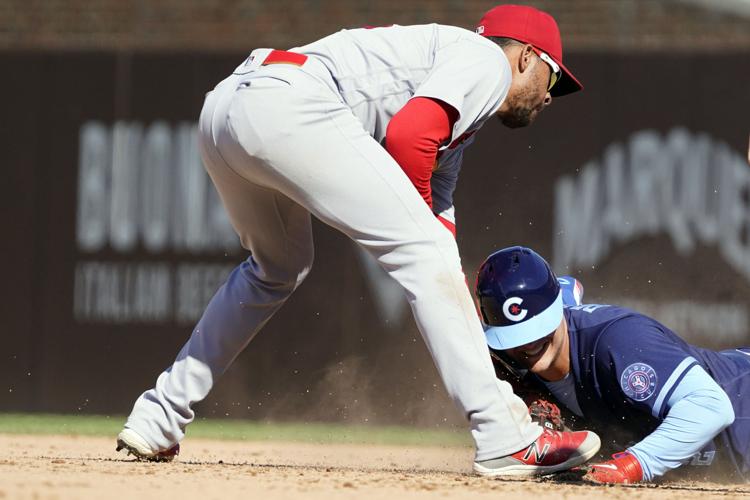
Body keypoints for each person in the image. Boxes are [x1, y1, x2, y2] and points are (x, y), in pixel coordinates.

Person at [116, 5, 602, 475]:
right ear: (525, 57)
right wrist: (426, 256)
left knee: (276, 269)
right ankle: (504, 438)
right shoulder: (486, 63)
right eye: (554, 80)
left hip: (227, 108)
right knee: (420, 252)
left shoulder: (454, 93)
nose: (548, 98)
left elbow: (434, 213)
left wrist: (453, 294)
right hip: (288, 105)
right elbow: (410, 137)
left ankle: (158, 418)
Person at [475, 246, 749, 483]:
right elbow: (572, 289)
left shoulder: (619, 340)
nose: (529, 344)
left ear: (558, 308)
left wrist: (633, 464)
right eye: (516, 336)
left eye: (539, 327)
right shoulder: (504, 362)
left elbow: (712, 406)